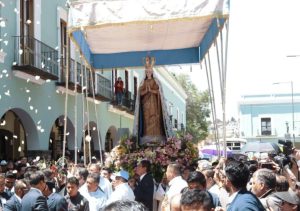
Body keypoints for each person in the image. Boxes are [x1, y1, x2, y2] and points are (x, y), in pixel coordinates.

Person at [132, 55, 173, 146]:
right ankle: (147, 137)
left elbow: (159, 92)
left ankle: (157, 136)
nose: (148, 73)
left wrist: (152, 91)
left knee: (155, 118)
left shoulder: (155, 81)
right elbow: (139, 93)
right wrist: (145, 91)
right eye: (147, 72)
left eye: (150, 71)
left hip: (155, 104)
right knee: (147, 120)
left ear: (152, 72)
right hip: (146, 105)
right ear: (145, 73)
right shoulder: (143, 82)